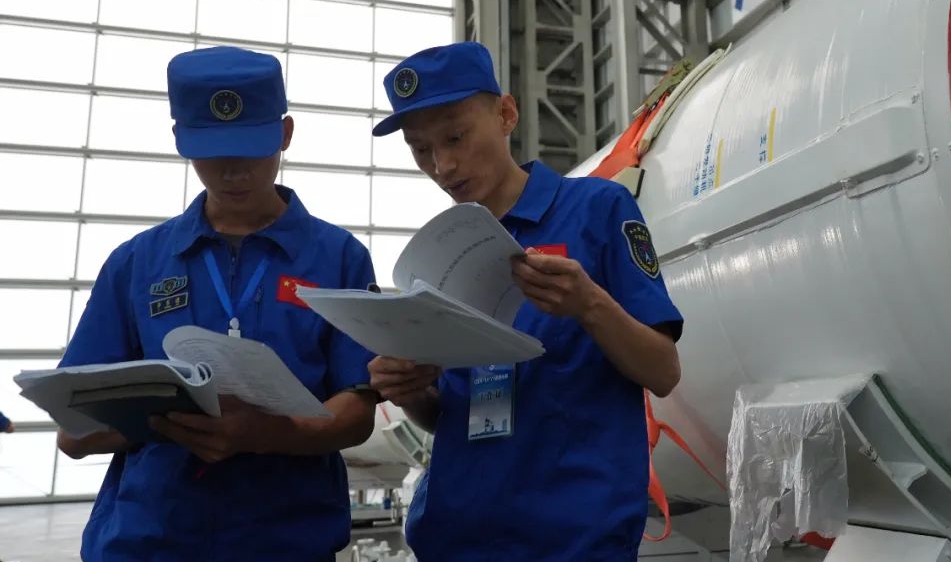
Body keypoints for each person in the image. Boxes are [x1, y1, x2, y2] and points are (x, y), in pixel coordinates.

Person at [57, 46, 379, 562]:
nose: (233, 172)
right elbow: (73, 432)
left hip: (287, 542)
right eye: (212, 153)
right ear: (179, 140)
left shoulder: (339, 259)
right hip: (151, 542)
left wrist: (263, 433)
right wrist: (164, 420)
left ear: (285, 133)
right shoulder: (136, 264)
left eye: (250, 150)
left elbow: (357, 411)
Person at [367, 41, 684, 561]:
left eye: (455, 137)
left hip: (573, 540)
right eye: (421, 150)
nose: (443, 165)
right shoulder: (439, 256)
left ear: (506, 114)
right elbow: (454, 414)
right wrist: (411, 391)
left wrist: (589, 305)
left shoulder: (597, 210)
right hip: (457, 536)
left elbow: (664, 371)